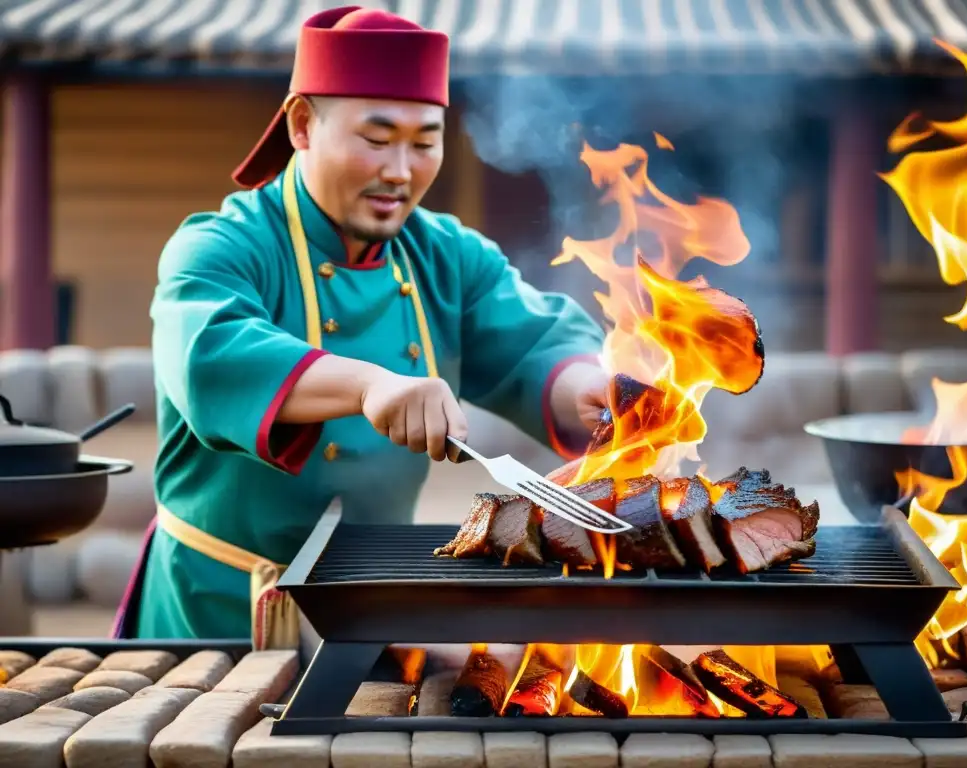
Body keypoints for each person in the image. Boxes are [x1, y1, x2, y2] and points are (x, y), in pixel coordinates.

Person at [112, 5, 608, 645]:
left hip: (370, 611)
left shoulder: (448, 255)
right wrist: (372, 386)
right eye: (376, 139)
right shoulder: (221, 247)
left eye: (424, 142)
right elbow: (213, 356)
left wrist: (592, 394)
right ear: (301, 126)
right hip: (213, 611)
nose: (400, 171)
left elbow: (537, 341)